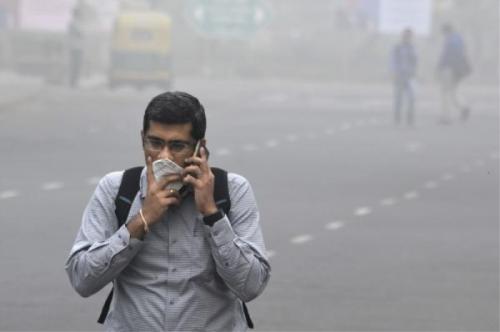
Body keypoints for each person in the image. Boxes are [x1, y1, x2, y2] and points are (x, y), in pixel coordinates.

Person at [65, 91, 271, 331]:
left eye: (177, 146)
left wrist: (212, 214)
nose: (164, 156)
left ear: (199, 148)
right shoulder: (116, 189)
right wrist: (142, 220)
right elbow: (82, 279)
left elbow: (251, 286)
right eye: (155, 143)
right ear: (142, 139)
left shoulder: (232, 190)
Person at [436, 23, 471, 124]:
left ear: (446, 31)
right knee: (453, 91)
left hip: (449, 69)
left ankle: (446, 117)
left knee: (445, 93)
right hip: (459, 70)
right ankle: (464, 107)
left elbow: (445, 56)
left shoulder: (449, 41)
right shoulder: (459, 39)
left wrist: (439, 67)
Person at [390, 28, 417, 126]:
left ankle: (410, 117)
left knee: (412, 98)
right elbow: (392, 61)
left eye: (409, 37)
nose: (408, 38)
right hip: (400, 75)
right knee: (398, 98)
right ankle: (397, 117)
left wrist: (414, 72)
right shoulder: (397, 47)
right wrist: (394, 72)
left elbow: (415, 62)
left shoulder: (412, 48)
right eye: (406, 36)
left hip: (410, 76)